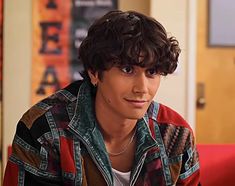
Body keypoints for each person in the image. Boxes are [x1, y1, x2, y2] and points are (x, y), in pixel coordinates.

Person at [3, 10, 200, 186]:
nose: (142, 88)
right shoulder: (44, 129)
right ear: (94, 72)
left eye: (152, 72)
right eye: (127, 69)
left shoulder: (175, 135)